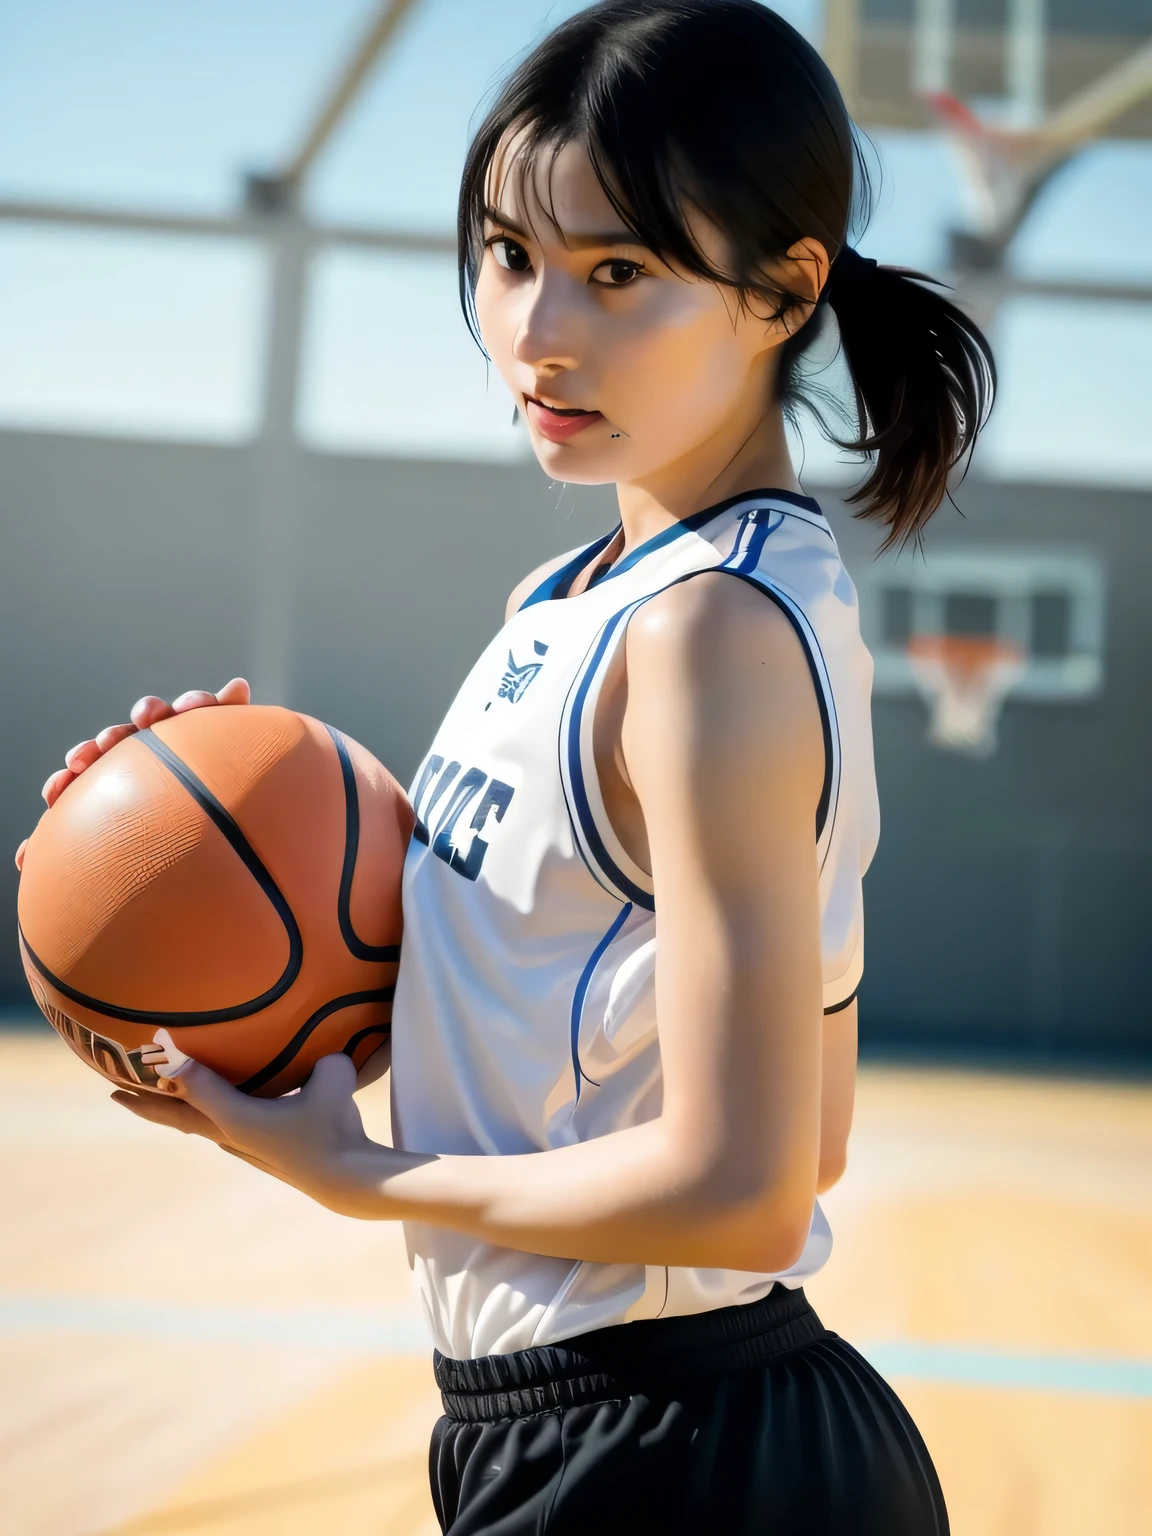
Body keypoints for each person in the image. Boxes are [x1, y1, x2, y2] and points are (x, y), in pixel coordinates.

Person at [21, 3, 994, 1530]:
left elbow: (753, 1186)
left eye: (620, 273)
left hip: (677, 1451)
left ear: (781, 292)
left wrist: (367, 1178)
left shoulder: (710, 640)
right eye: (507, 254)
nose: (540, 329)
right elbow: (802, 1117)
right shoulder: (579, 605)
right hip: (597, 1429)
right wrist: (198, 879)